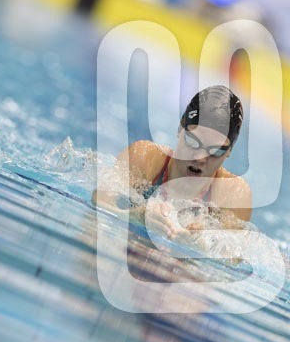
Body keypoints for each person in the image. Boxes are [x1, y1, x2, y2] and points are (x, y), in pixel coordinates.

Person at [94, 85, 251, 238]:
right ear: (180, 129)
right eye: (193, 141)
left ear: (229, 152)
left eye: (215, 150)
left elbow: (231, 252)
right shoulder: (144, 158)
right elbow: (98, 202)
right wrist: (136, 216)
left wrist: (201, 246)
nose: (200, 158)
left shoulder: (232, 195)